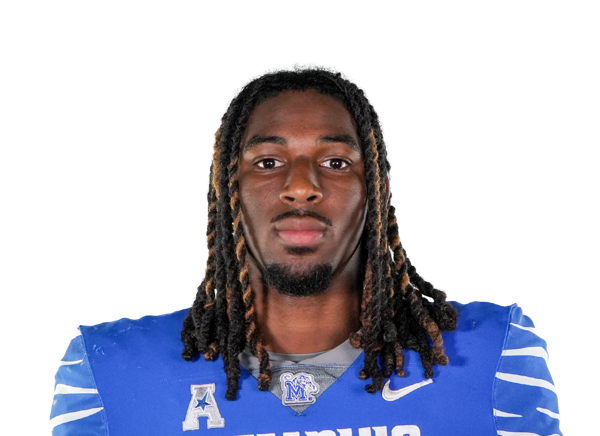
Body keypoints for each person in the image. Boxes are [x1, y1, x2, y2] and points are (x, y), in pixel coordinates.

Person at [50, 62, 562, 435]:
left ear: (377, 190)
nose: (300, 187)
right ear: (227, 192)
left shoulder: (495, 355)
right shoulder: (108, 371)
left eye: (335, 162)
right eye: (268, 163)